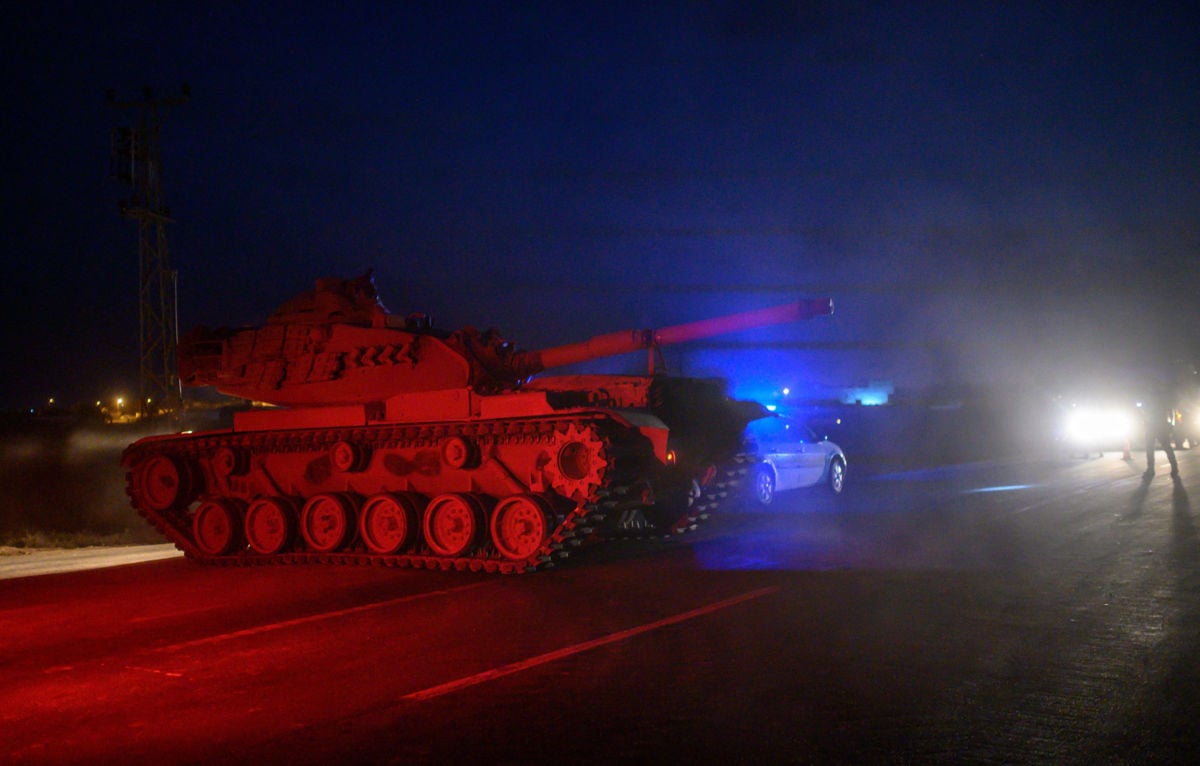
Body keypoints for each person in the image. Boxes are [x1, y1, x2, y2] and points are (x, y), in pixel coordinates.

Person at [1141, 378, 1180, 479]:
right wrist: (1171, 424)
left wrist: (1171, 423)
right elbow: (1170, 410)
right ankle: (1173, 467)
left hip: (1157, 424)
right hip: (1156, 425)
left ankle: (1152, 469)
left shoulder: (1157, 397)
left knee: (1156, 447)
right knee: (1163, 447)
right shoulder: (1158, 396)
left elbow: (1170, 410)